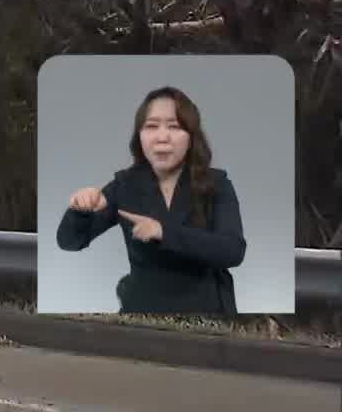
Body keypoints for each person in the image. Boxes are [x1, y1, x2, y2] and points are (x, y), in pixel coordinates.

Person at [55, 85, 247, 315]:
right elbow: (70, 242)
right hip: (142, 317)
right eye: (151, 126)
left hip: (207, 317)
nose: (162, 137)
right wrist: (79, 210)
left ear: (191, 136)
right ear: (140, 136)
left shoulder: (216, 183)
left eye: (174, 127)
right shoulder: (126, 185)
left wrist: (163, 232)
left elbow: (232, 250)